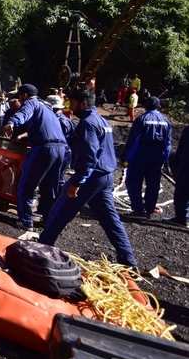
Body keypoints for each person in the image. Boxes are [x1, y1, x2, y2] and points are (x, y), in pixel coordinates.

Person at [39, 89, 138, 268]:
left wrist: (77, 181)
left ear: (83, 103)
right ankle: (129, 261)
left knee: (60, 211)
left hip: (92, 177)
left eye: (73, 102)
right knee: (110, 220)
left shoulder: (88, 124)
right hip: (106, 176)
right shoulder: (101, 120)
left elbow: (89, 157)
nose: (70, 105)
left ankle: (42, 248)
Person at [2, 84, 69, 230]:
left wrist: (12, 123)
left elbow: (24, 113)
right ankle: (47, 220)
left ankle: (26, 222)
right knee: (49, 187)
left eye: (20, 96)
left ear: (24, 95)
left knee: (27, 185)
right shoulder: (47, 107)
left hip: (44, 148)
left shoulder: (31, 102)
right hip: (61, 149)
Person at [122, 96, 172, 219]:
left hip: (140, 156)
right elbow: (168, 143)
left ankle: (138, 209)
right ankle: (149, 208)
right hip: (157, 157)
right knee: (153, 184)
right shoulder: (166, 121)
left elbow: (133, 140)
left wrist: (126, 157)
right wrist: (165, 160)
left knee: (133, 182)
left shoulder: (142, 119)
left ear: (146, 106)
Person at [164, 124, 189, 227]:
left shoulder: (187, 130)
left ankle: (182, 218)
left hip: (186, 166)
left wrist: (176, 166)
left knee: (181, 192)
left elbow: (180, 149)